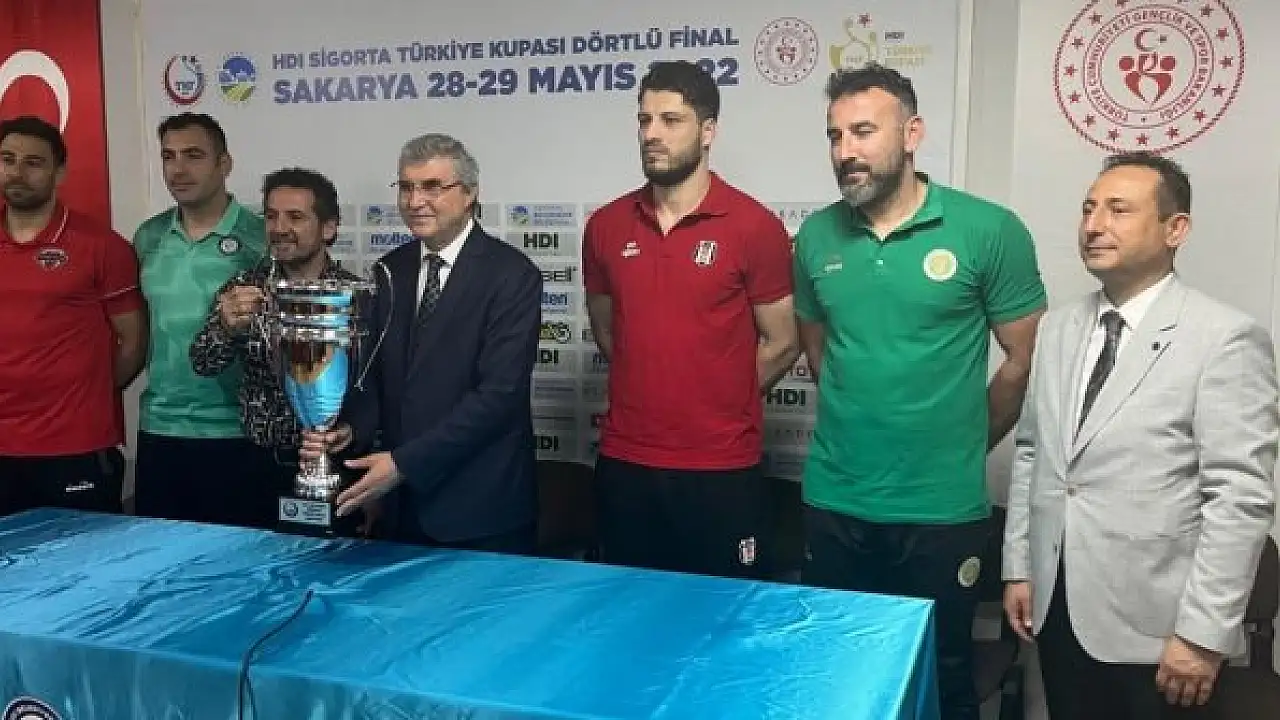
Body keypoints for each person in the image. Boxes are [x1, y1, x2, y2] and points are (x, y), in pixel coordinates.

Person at [791, 63, 1046, 720]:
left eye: (863, 131)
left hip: (940, 511)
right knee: (835, 675)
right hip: (836, 500)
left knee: (941, 676)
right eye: (835, 135)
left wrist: (961, 442)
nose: (845, 151)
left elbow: (1022, 360)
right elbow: (820, 355)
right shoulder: (816, 236)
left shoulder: (988, 230)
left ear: (912, 134)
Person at [1002, 152, 1278, 719]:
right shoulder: (1057, 329)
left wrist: (1202, 636)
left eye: (1119, 210)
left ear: (1175, 229)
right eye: (1088, 209)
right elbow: (1032, 453)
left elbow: (1239, 497)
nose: (1094, 225)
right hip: (1057, 611)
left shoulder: (1224, 338)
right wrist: (1020, 568)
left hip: (1160, 633)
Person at [582, 61, 798, 579]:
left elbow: (782, 342)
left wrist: (716, 397)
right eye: (645, 120)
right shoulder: (606, 226)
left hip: (720, 469)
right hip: (626, 462)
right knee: (628, 609)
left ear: (707, 131)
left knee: (724, 613)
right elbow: (610, 332)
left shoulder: (754, 226)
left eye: (670, 120)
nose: (651, 133)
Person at [301, 133, 542, 553]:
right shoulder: (388, 271)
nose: (415, 201)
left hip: (480, 511)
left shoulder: (512, 275)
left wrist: (403, 464)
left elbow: (498, 397)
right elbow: (374, 378)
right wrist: (351, 430)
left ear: (469, 193)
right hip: (400, 507)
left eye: (432, 187)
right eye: (406, 187)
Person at [189, 167, 367, 532]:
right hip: (257, 466)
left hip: (336, 464)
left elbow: (375, 386)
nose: (279, 228)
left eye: (295, 217)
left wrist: (357, 434)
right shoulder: (243, 288)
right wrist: (225, 328)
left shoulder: (353, 297)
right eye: (271, 216)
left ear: (328, 228)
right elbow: (203, 362)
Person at [0, 115, 148, 516]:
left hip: (75, 448)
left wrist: (87, 392)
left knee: (85, 556)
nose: (17, 172)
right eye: (8, 159)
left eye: (33, 162)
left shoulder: (102, 246)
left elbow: (134, 341)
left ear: (59, 172)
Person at [131, 113, 267, 527]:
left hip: (235, 432)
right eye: (168, 156)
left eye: (193, 155)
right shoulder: (148, 236)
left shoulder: (260, 237)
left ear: (224, 164)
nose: (178, 169)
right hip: (160, 427)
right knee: (160, 560)